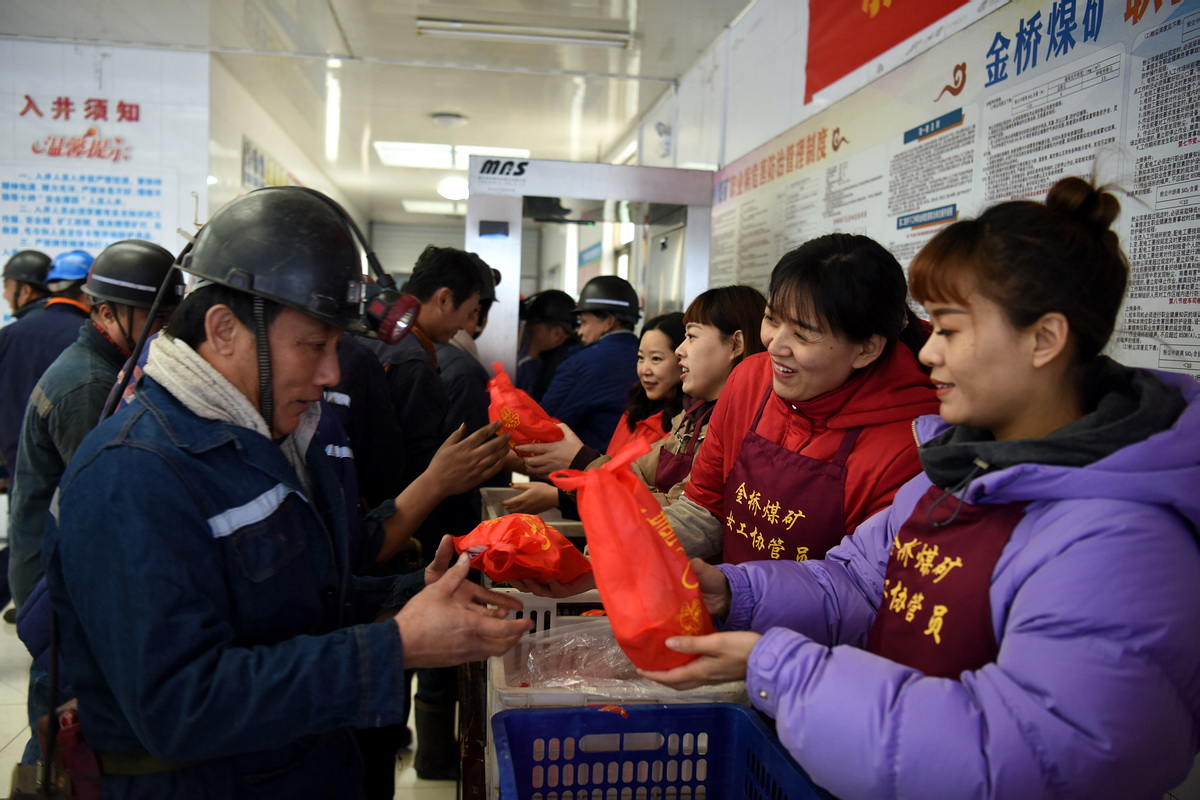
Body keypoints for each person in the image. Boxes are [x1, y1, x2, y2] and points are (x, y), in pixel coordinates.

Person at [641, 177, 1200, 800]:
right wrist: (731, 591)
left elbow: (1022, 758)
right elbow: (854, 582)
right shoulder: (961, 470)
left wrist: (782, 670)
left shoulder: (1122, 540)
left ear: (1044, 339)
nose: (927, 352)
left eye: (951, 330)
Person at [42, 187, 530, 799]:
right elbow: (178, 705)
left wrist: (410, 596)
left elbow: (297, 602)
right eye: (314, 346)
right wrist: (393, 646)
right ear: (222, 330)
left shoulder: (276, 437)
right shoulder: (134, 474)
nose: (331, 374)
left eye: (337, 347)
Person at [8, 240, 182, 763]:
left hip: (59, 575)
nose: (165, 331)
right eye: (154, 317)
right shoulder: (90, 383)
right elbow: (110, 494)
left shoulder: (108, 368)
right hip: (54, 588)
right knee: (62, 732)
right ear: (105, 313)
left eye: (171, 316)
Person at [663, 234, 938, 565]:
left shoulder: (910, 449)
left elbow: (859, 586)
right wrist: (620, 550)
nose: (774, 346)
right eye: (772, 319)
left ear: (866, 349)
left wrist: (735, 594)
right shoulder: (749, 379)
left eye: (803, 333)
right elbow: (706, 508)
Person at [504, 311, 687, 515]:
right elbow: (609, 467)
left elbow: (646, 496)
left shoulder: (681, 428)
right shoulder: (635, 411)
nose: (644, 369)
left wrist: (558, 495)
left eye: (656, 359)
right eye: (640, 358)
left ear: (683, 360)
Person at [0, 249, 93, 479]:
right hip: (73, 476)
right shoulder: (87, 336)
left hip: (20, 475)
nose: (4, 294)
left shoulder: (8, 336)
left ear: (26, 289)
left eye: (6, 286)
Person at [540, 275, 641, 451]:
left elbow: (546, 424)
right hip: (635, 465)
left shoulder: (582, 363)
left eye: (584, 322)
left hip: (589, 470)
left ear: (608, 322)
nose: (579, 332)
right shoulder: (646, 356)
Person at [516, 289, 581, 402]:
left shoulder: (562, 368)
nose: (527, 339)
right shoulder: (558, 359)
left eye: (532, 332)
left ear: (557, 334)